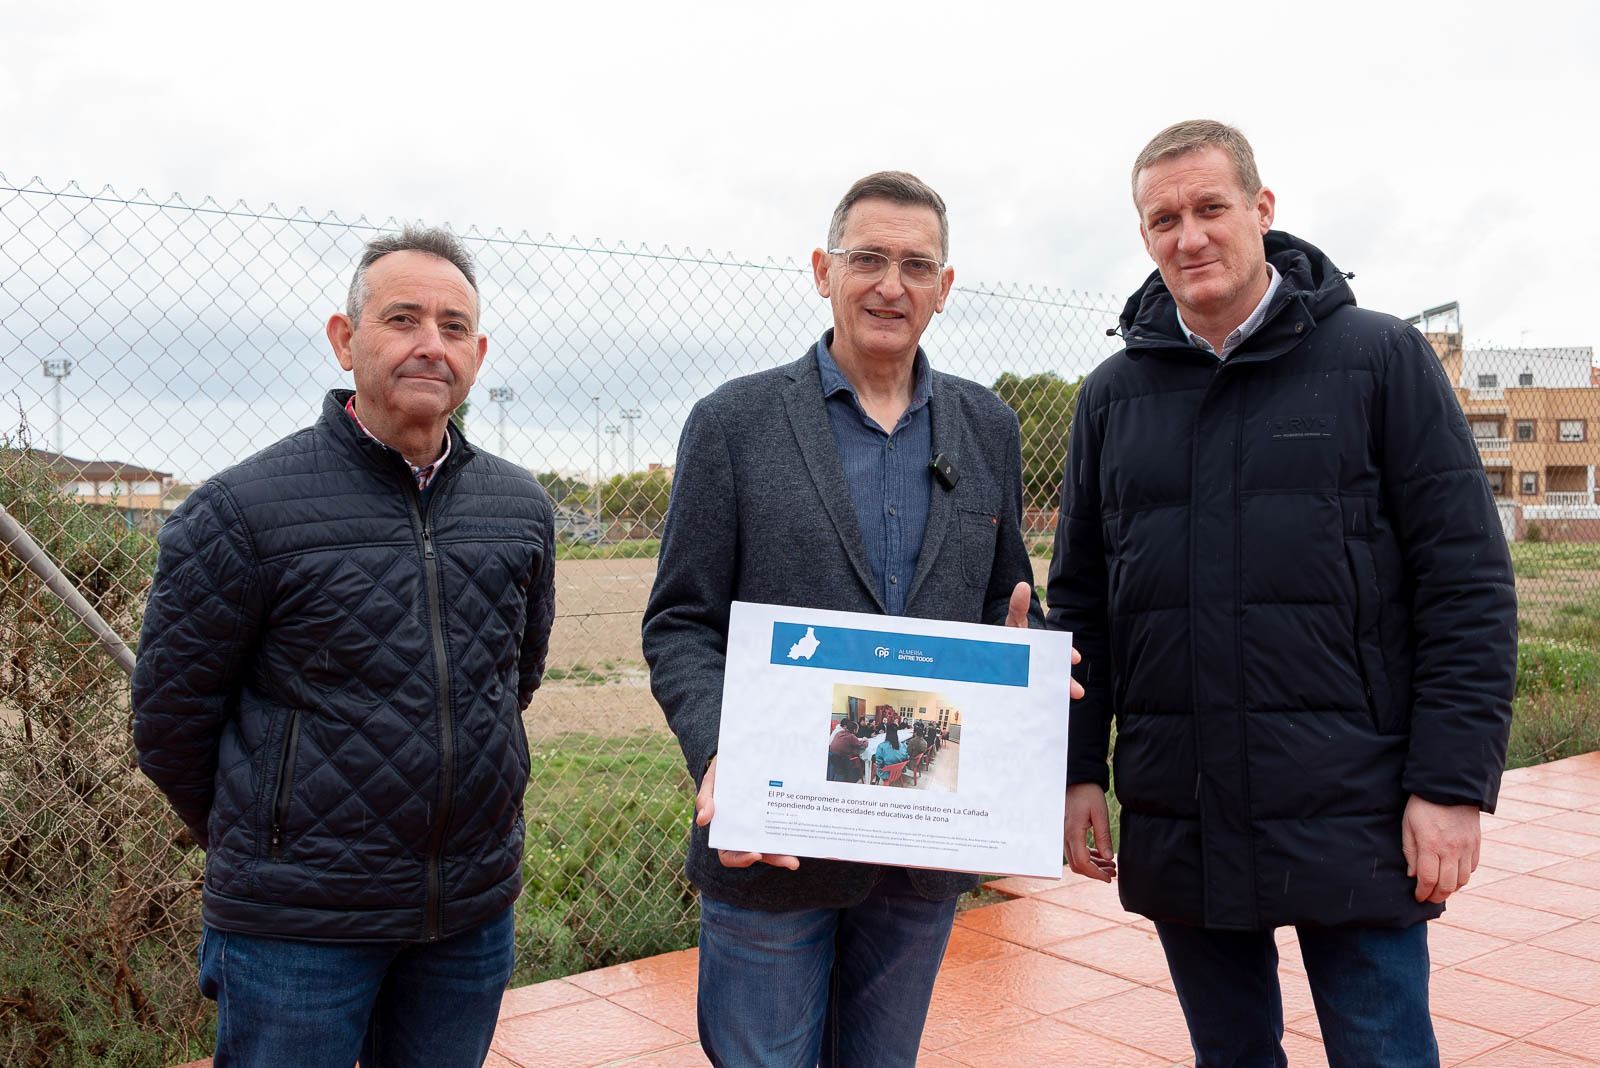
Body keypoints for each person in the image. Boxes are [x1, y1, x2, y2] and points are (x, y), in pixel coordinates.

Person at [1048, 120, 1516, 1066]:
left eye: (1210, 208)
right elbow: (1082, 604)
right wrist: (1075, 772)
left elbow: (1465, 584)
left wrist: (1451, 784)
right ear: (1144, 236)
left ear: (1262, 210)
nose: (1189, 237)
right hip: (1182, 810)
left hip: (1361, 809)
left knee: (1384, 1051)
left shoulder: (1380, 361)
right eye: (1163, 219)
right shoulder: (1112, 397)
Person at [643, 170, 1079, 1068]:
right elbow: (681, 622)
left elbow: (1006, 604)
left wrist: (1029, 669)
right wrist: (721, 754)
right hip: (775, 844)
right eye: (868, 258)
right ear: (821, 270)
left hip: (920, 850)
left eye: (917, 264)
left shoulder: (987, 425)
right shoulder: (733, 423)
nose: (892, 284)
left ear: (945, 288)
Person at [131, 227, 557, 1068]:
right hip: (298, 931)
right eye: (403, 319)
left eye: (453, 325)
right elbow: (170, 724)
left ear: (478, 352)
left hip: (468, 914)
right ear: (344, 339)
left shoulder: (520, 509)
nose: (430, 344)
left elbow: (514, 680)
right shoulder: (241, 513)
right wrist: (276, 842)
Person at [828, 719, 869, 783]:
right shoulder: (851, 736)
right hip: (841, 758)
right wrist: (866, 741)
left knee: (838, 771)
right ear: (855, 730)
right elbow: (862, 745)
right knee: (842, 773)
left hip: (831, 755)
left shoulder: (839, 732)